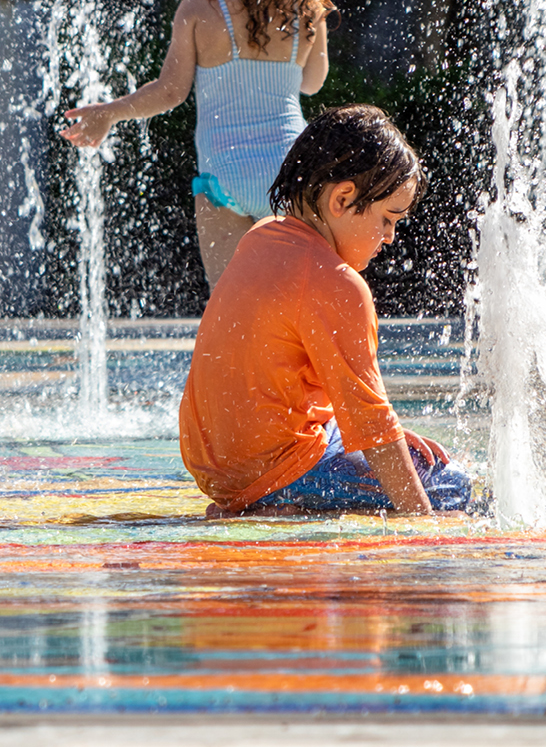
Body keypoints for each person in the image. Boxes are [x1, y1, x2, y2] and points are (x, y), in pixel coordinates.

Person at [179, 105, 472, 517]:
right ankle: (283, 506)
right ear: (342, 198)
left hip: (216, 465)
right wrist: (422, 524)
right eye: (388, 219)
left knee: (411, 451)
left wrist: (396, 442)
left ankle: (267, 499)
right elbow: (373, 427)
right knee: (449, 484)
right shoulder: (337, 284)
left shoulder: (262, 235)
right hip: (277, 472)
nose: (389, 237)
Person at [61, 0, 333, 287]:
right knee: (292, 310)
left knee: (233, 315)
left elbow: (170, 92)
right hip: (290, 172)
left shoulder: (201, 9)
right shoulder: (307, 9)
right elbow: (312, 82)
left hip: (224, 175)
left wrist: (111, 112)